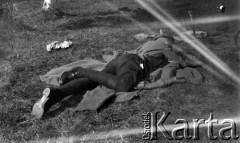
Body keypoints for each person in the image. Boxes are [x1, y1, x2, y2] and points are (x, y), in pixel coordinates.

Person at [31, 34, 198, 118]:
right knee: (124, 86)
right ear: (168, 42)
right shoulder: (165, 47)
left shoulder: (149, 43)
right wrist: (186, 62)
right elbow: (177, 62)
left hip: (121, 60)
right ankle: (79, 71)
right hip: (134, 63)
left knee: (93, 81)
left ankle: (55, 95)